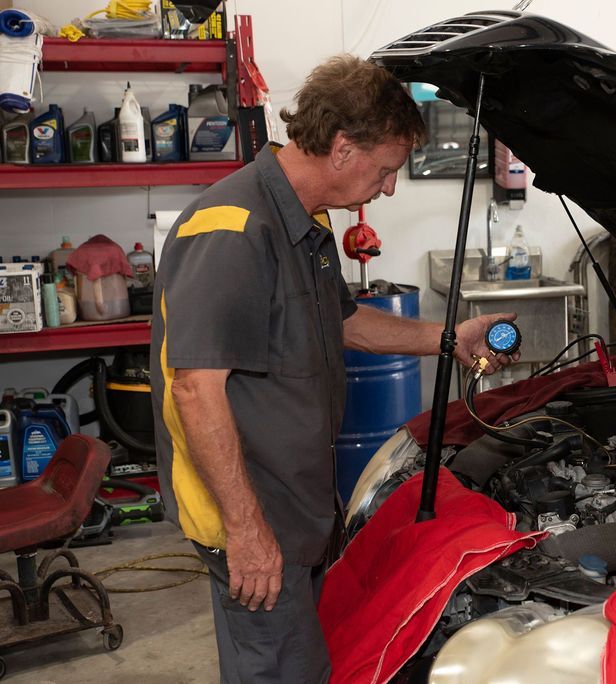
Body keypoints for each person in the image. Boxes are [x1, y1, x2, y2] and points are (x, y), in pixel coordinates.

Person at [149, 55, 516, 683]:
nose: (390, 186)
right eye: (388, 169)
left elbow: (341, 322)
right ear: (343, 148)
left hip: (299, 504)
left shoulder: (306, 222)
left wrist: (448, 338)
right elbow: (195, 389)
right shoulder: (234, 229)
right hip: (253, 515)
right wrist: (248, 532)